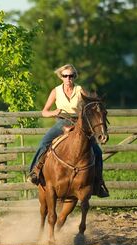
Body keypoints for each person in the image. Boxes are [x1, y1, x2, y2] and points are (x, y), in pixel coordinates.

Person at [28, 64, 109, 198]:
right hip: (61, 122)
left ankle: (98, 183)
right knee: (44, 143)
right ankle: (34, 172)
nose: (68, 78)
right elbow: (44, 112)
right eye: (65, 76)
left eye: (71, 76)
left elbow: (90, 104)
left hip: (79, 123)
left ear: (74, 77)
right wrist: (54, 112)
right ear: (61, 77)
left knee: (97, 151)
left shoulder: (80, 90)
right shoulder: (55, 91)